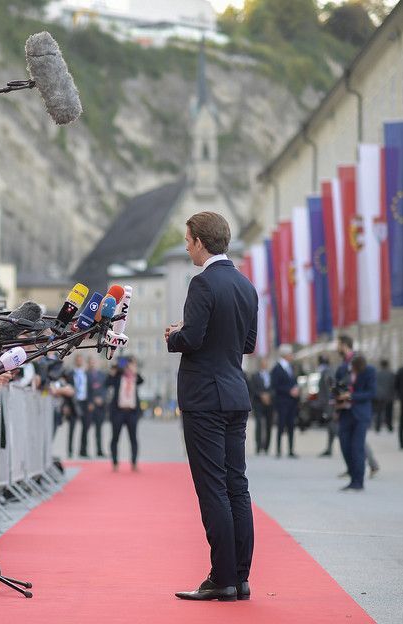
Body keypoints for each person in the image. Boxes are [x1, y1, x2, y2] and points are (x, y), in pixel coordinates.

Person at [165, 211, 256, 602]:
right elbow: (248, 344)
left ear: (200, 242)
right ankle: (240, 577)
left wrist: (174, 335)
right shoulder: (246, 285)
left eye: (188, 241)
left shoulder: (202, 283)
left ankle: (222, 578)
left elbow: (193, 339)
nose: (187, 248)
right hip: (235, 393)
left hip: (205, 397)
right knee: (237, 486)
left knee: (213, 488)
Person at [334, 351, 376, 491]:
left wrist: (351, 396)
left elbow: (371, 392)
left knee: (357, 447)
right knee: (345, 446)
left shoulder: (369, 371)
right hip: (345, 413)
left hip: (361, 415)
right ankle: (352, 477)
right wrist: (336, 399)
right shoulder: (342, 370)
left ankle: (358, 482)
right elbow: (336, 388)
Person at [108, 357, 144, 471]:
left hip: (132, 412)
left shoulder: (135, 377)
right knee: (115, 438)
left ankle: (134, 462)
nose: (128, 367)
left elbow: (142, 380)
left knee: (133, 438)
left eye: (130, 365)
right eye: (127, 365)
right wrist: (115, 367)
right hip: (118, 412)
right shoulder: (118, 377)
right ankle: (115, 462)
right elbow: (107, 382)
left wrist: (134, 370)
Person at [270, 344, 299, 458]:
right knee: (281, 425)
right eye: (291, 354)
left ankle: (291, 449)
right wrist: (289, 391)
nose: (292, 356)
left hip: (292, 402)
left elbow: (294, 381)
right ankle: (278, 449)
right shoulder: (276, 369)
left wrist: (296, 389)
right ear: (285, 355)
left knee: (291, 425)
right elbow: (275, 386)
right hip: (282, 402)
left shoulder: (291, 367)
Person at [79, 356, 108, 458]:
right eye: (91, 362)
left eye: (94, 362)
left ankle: (99, 450)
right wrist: (90, 401)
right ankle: (83, 450)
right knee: (85, 429)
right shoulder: (84, 374)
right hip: (89, 406)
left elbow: (105, 389)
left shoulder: (102, 375)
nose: (93, 364)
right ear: (88, 363)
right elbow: (84, 390)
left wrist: (102, 399)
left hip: (100, 407)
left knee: (99, 429)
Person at [248, 357, 273, 455]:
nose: (265, 364)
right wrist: (262, 395)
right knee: (259, 424)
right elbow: (252, 389)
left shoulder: (271, 375)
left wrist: (269, 396)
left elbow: (273, 388)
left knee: (268, 425)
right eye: (263, 362)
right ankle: (258, 446)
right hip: (258, 403)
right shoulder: (255, 376)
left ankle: (266, 446)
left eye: (266, 362)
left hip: (269, 403)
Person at [374, 359, 396, 433]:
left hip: (379, 396)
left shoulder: (377, 374)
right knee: (389, 412)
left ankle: (377, 427)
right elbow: (393, 385)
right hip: (389, 396)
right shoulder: (391, 374)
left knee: (379, 412)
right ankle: (389, 426)